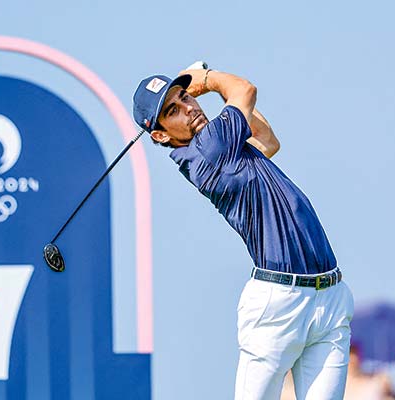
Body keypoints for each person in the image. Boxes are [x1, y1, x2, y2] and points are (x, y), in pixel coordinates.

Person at [132, 68, 354, 399]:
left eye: (185, 96)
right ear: (161, 135)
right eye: (173, 111)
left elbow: (267, 141)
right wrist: (205, 78)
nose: (190, 107)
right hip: (279, 305)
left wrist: (218, 95)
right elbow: (245, 90)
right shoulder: (209, 149)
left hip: (330, 296)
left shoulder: (226, 147)